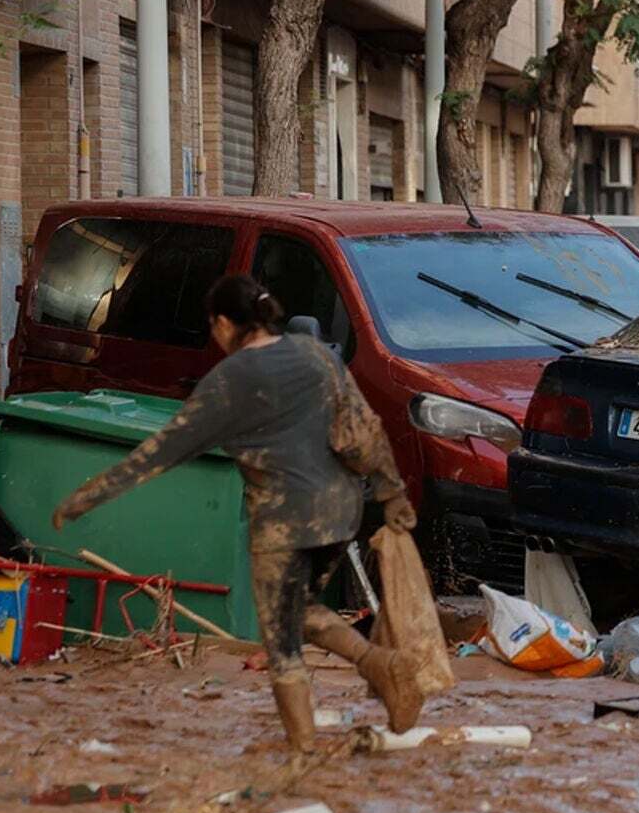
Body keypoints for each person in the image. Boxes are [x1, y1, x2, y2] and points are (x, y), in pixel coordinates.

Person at [53, 275, 425, 756]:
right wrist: (393, 493)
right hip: (341, 512)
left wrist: (86, 497)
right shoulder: (314, 353)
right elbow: (364, 428)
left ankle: (303, 751)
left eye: (214, 327)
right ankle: (380, 665)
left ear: (226, 323)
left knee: (281, 643)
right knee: (301, 611)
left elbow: (160, 452)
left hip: (284, 524)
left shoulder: (229, 381)